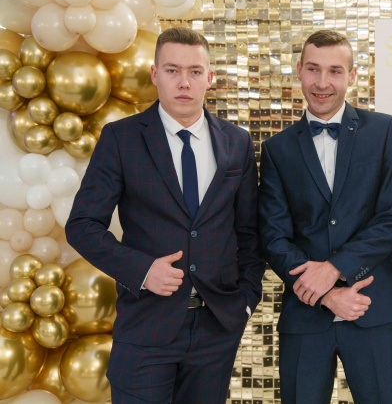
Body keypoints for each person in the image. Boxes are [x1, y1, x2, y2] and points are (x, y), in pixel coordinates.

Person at [65, 27, 264, 404]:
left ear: (210, 77)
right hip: (146, 326)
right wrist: (142, 270)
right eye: (172, 70)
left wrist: (245, 301)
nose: (184, 82)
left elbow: (248, 232)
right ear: (155, 75)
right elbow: (82, 226)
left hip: (216, 329)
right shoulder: (121, 138)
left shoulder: (237, 142)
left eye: (194, 71)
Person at [258, 29, 392, 403]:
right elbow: (274, 236)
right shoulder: (277, 149)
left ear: (352, 75)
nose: (322, 83)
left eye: (335, 71)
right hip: (305, 314)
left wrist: (335, 268)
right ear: (299, 70)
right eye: (313, 69)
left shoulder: (383, 131)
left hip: (374, 308)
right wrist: (325, 292)